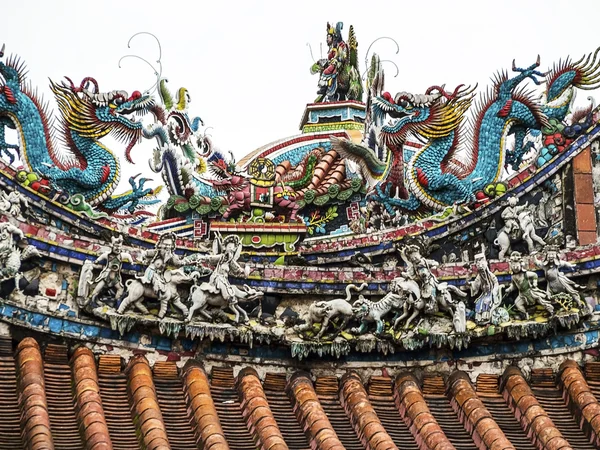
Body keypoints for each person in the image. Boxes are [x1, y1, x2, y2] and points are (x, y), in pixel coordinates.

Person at [504, 251, 553, 320]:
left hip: (530, 291)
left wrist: (535, 283)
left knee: (541, 301)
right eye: (513, 266)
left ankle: (551, 311)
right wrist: (509, 289)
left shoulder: (525, 274)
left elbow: (535, 275)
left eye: (517, 266)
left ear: (521, 265)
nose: (515, 268)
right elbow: (514, 286)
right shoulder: (513, 277)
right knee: (517, 303)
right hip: (521, 294)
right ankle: (525, 315)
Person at [88, 235, 132, 305]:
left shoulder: (122, 255)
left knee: (120, 289)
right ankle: (92, 301)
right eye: (116, 247)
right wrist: (97, 260)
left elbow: (128, 256)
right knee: (98, 288)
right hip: (107, 274)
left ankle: (116, 303)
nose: (118, 248)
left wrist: (131, 261)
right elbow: (102, 256)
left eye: (119, 247)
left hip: (115, 276)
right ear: (112, 247)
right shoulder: (108, 254)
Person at [468, 252, 501, 325]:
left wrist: (495, 291)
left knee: (486, 302)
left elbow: (496, 282)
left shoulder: (490, 275)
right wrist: (470, 283)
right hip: (484, 293)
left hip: (490, 292)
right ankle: (480, 319)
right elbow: (476, 284)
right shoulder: (479, 276)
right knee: (478, 302)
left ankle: (487, 317)